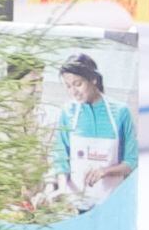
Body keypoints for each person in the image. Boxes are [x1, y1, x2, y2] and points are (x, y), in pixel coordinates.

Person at [52, 54, 134, 202]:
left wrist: (105, 171)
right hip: (74, 203)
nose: (73, 91)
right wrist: (62, 189)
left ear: (93, 79)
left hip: (111, 201)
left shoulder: (121, 112)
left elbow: (131, 162)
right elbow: (60, 157)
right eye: (68, 86)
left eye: (78, 84)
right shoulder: (67, 112)